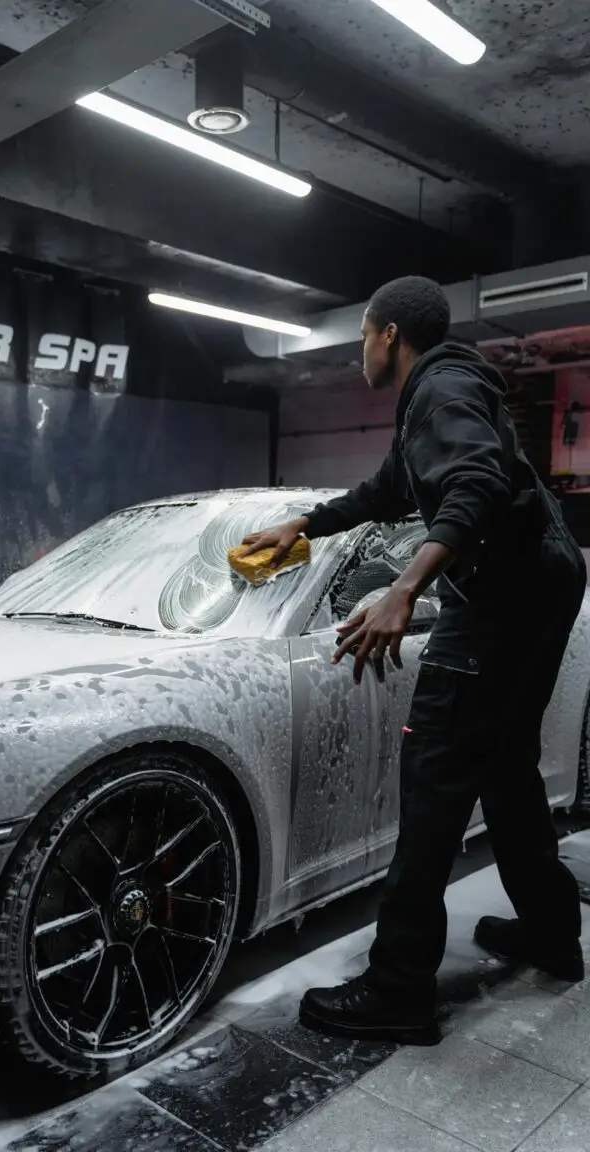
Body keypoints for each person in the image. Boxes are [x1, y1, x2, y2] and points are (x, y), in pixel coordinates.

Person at [243, 276, 586, 1047]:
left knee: (434, 775)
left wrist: (403, 589)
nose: (361, 348)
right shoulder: (448, 392)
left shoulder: (442, 389)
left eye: (363, 333)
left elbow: (473, 484)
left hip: (501, 597)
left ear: (388, 334)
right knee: (504, 766)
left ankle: (398, 988)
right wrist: (305, 520)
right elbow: (392, 488)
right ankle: (553, 933)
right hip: (539, 581)